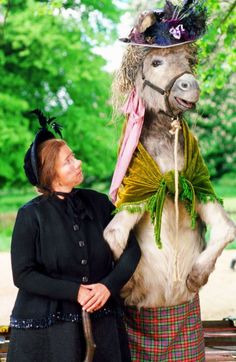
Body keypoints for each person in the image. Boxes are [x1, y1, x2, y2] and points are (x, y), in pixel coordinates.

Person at [7, 110, 141, 362]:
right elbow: (23, 274)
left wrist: (107, 287)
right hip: (49, 329)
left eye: (74, 157)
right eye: (68, 161)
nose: (78, 162)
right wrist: (75, 292)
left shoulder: (99, 203)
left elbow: (132, 250)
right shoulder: (30, 215)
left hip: (103, 321)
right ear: (50, 173)